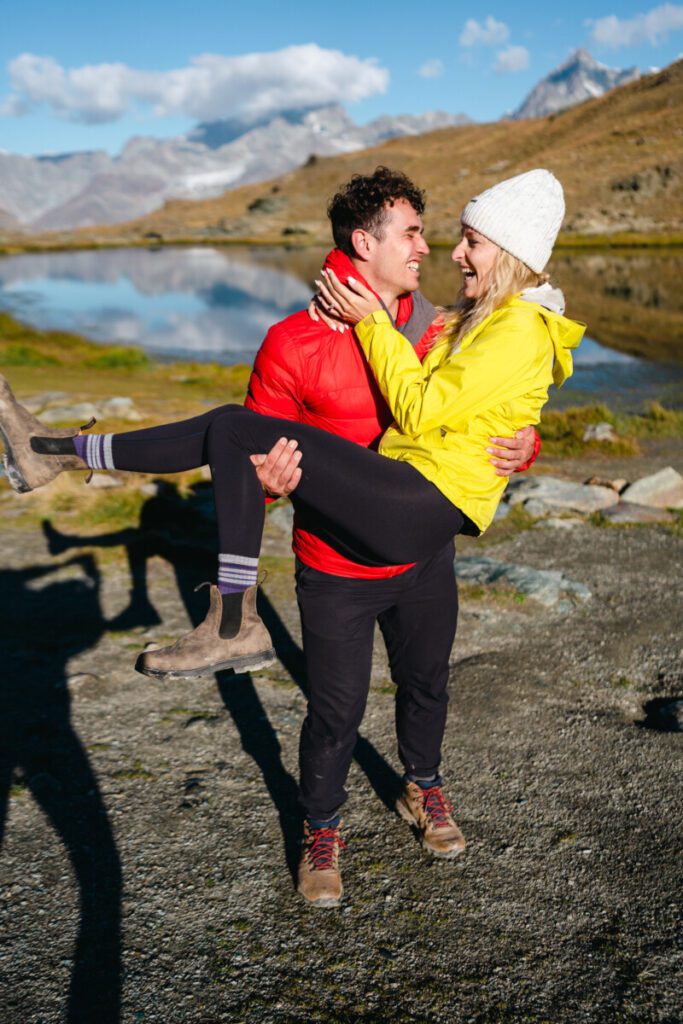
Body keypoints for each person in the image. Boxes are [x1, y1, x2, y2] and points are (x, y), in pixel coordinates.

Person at [0, 167, 584, 904]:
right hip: (336, 563)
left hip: (422, 548)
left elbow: (480, 401)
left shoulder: (431, 318)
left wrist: (524, 442)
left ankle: (420, 783)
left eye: (449, 237)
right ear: (361, 241)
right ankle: (320, 825)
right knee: (333, 712)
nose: (432, 250)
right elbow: (241, 464)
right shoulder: (290, 344)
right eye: (412, 233)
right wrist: (269, 485)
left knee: (427, 686)